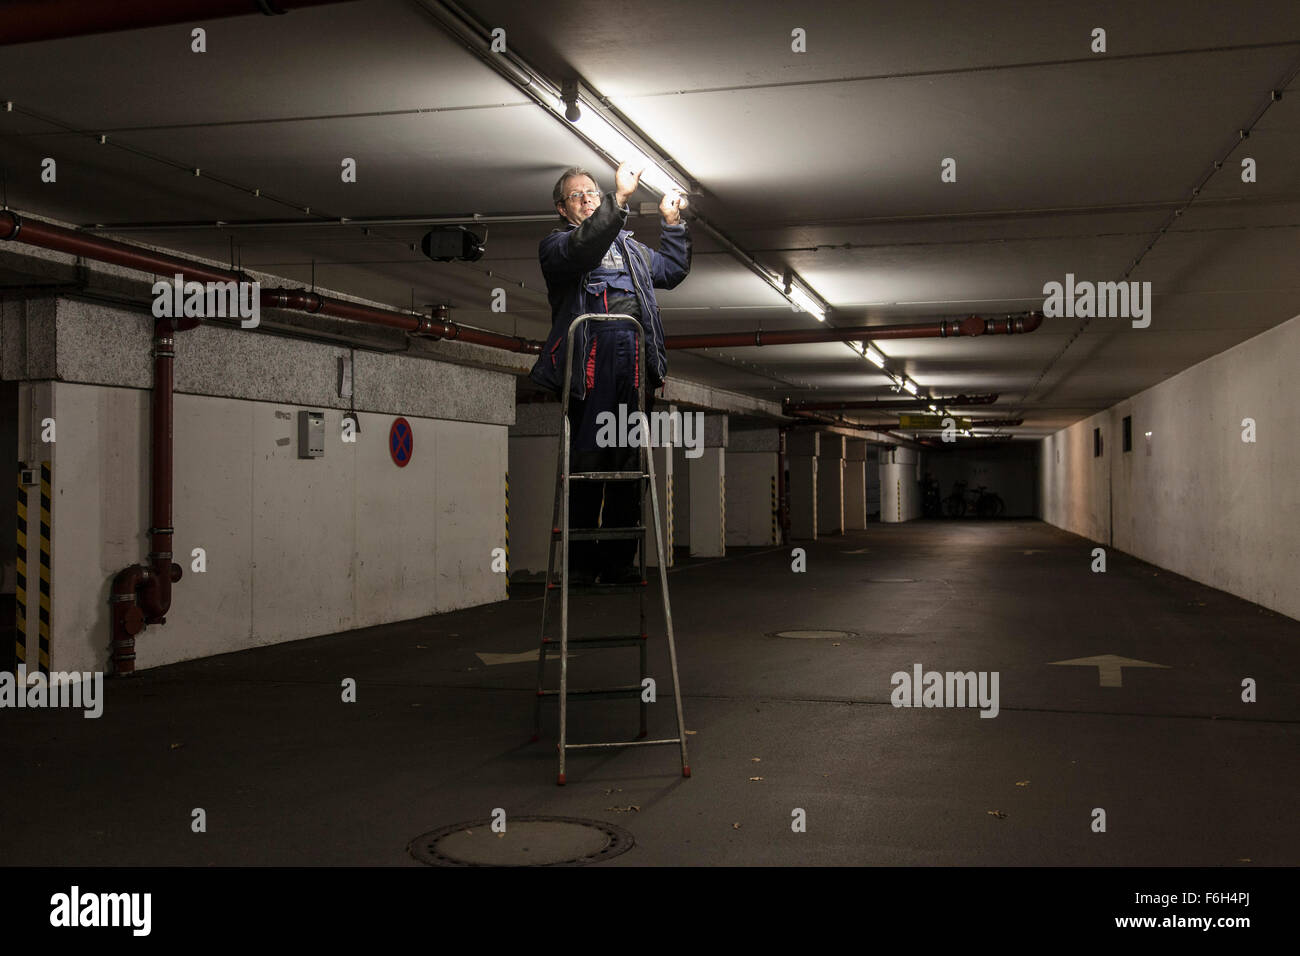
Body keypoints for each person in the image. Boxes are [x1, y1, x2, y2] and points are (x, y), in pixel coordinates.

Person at [530, 161, 691, 585]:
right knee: (587, 466)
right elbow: (586, 247)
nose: (587, 199)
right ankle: (583, 566)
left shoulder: (634, 251)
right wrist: (619, 201)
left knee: (628, 467)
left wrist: (672, 223)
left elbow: (672, 272)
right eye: (577, 196)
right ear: (562, 210)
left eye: (593, 193)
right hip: (589, 370)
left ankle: (619, 562)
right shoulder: (557, 247)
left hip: (635, 368)